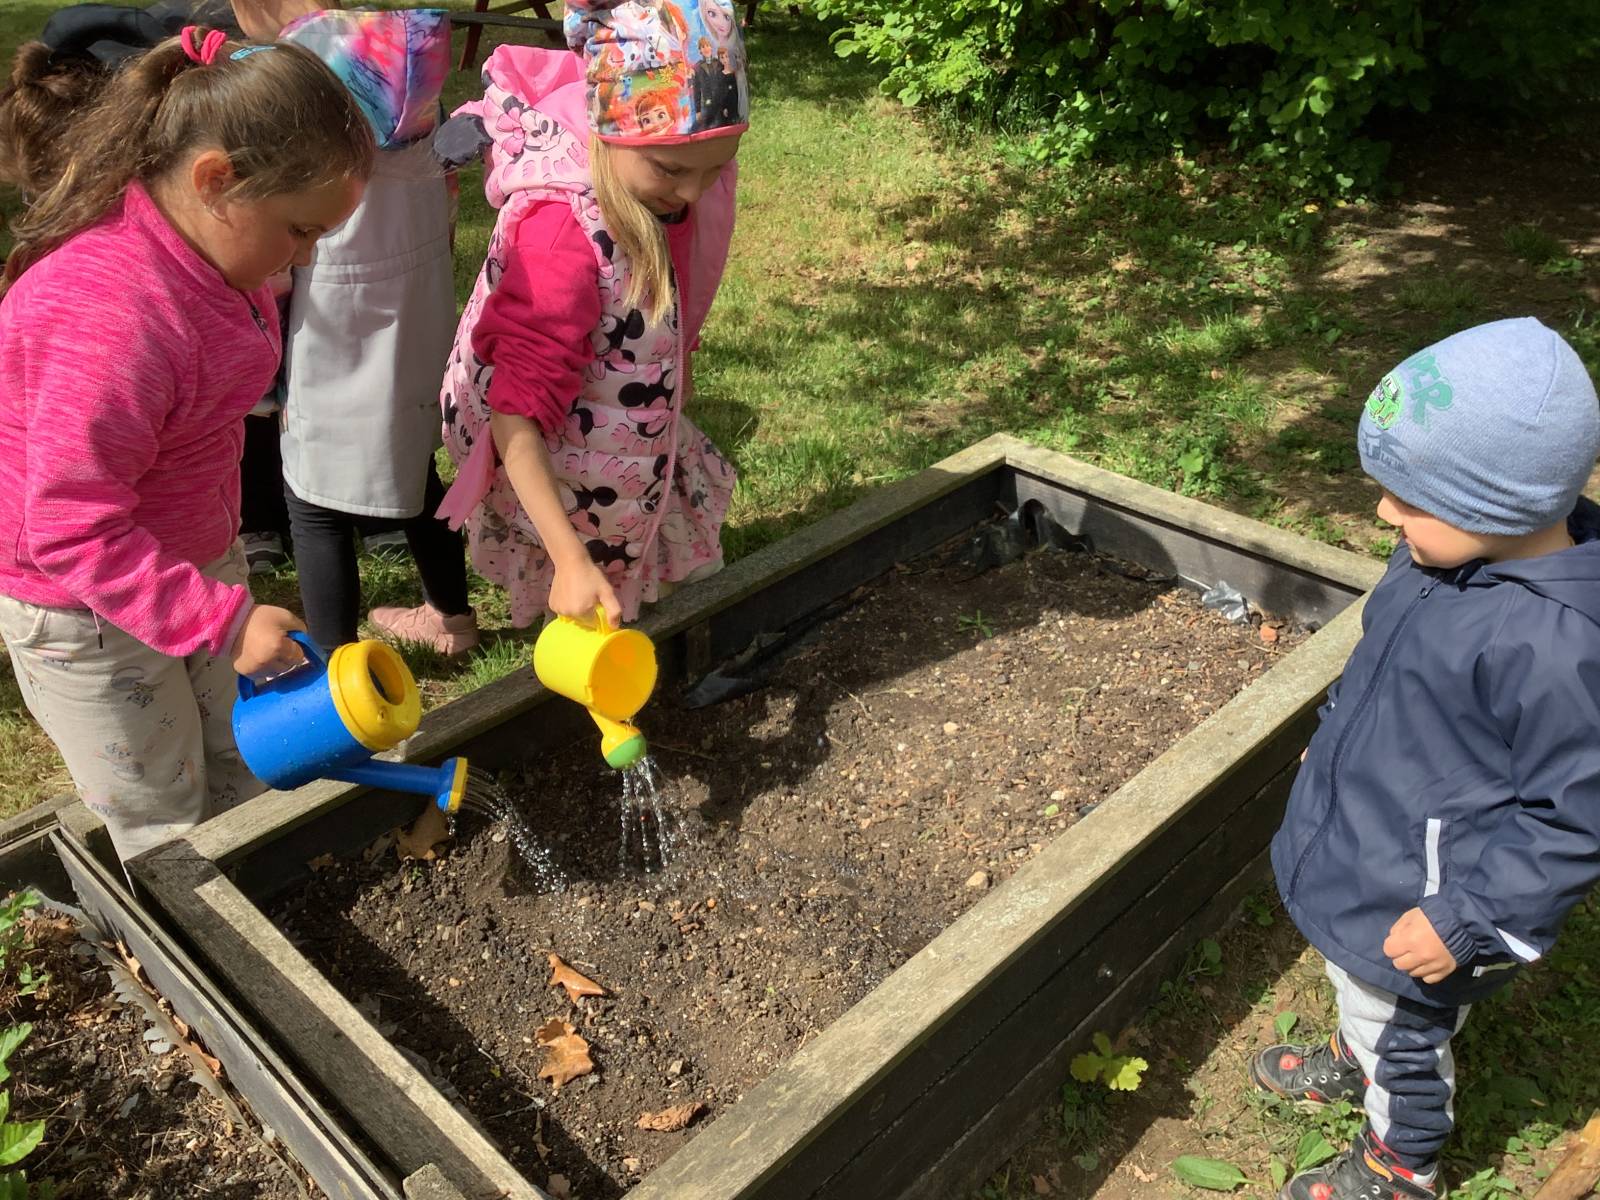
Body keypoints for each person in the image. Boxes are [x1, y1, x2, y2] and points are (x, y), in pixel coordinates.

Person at [0, 26, 373, 863]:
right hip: (83, 608)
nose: (303, 260)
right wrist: (223, 620)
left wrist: (217, 605)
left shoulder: (214, 257)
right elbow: (69, 527)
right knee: (162, 816)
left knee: (244, 757)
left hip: (189, 561)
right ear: (216, 181)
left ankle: (257, 884)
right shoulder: (111, 318)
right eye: (299, 231)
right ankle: (189, 935)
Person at [1250, 317, 1600, 1199]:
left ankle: (1400, 1163)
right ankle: (1356, 1050)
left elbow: (1575, 818)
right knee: (1362, 994)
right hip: (1371, 841)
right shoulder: (1436, 560)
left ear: (1496, 507)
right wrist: (1336, 729)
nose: (1384, 513)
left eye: (1408, 500)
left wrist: (1468, 920)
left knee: (1401, 1030)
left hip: (1427, 899)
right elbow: (1383, 663)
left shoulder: (1556, 648)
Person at [435, 0, 748, 629]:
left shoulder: (652, 193)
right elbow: (515, 415)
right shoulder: (560, 242)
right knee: (598, 636)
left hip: (625, 457)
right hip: (568, 497)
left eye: (715, 168)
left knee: (662, 612)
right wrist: (570, 559)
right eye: (673, 169)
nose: (693, 192)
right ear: (607, 130)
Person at [228, 0, 476, 655]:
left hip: (326, 313)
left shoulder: (288, 79)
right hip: (414, 297)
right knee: (412, 461)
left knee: (311, 499)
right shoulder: (408, 56)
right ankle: (453, 617)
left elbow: (270, 228)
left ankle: (336, 667)